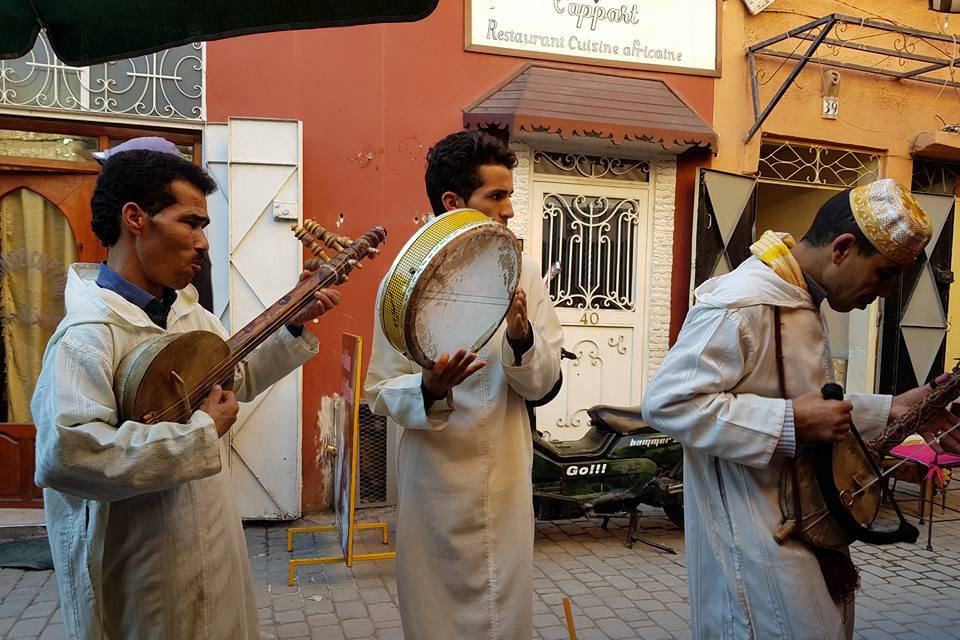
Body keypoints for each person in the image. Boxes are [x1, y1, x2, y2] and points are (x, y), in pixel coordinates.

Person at [31, 146, 342, 639]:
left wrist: (291, 324)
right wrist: (199, 434)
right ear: (135, 218)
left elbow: (226, 382)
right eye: (190, 223)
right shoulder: (87, 337)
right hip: (141, 570)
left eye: (204, 228)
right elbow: (67, 456)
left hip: (215, 547)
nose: (202, 243)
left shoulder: (190, 316)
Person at [643, 178, 960, 640]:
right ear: (843, 248)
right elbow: (668, 403)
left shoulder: (800, 299)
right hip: (753, 545)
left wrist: (891, 409)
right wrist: (788, 421)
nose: (888, 293)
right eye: (886, 274)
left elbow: (811, 406)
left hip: (807, 530)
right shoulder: (740, 302)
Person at [364, 130, 563, 640]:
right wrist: (428, 388)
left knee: (506, 614)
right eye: (496, 197)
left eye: (509, 196)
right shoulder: (401, 285)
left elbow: (541, 385)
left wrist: (520, 339)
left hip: (506, 478)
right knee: (436, 617)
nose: (509, 211)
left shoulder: (524, 274)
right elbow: (381, 392)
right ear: (452, 203)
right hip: (433, 485)